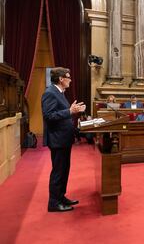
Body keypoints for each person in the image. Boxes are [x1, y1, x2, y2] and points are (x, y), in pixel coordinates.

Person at [42, 67, 86, 212]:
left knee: (64, 169)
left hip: (64, 138)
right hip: (57, 139)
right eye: (68, 77)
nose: (70, 79)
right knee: (58, 171)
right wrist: (69, 111)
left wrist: (72, 112)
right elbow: (49, 116)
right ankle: (54, 203)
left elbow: (62, 115)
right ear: (61, 79)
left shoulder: (59, 92)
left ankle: (61, 197)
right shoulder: (50, 93)